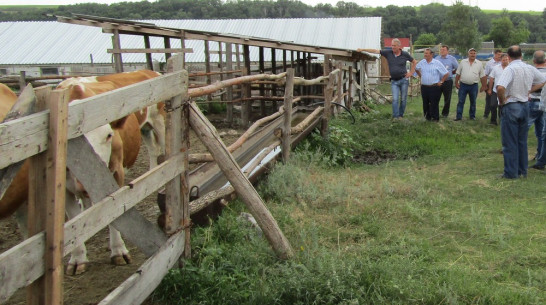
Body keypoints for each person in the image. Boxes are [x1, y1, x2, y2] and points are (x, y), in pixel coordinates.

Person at [496, 46, 546, 179]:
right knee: (521, 141)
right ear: (521, 55)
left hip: (511, 105)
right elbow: (542, 81)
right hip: (525, 105)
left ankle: (511, 173)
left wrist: (502, 101)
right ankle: (522, 171)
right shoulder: (529, 68)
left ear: (509, 56)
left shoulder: (510, 69)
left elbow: (500, 87)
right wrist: (529, 91)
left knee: (510, 142)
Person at [357, 38, 417, 119]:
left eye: (394, 46)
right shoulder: (388, 53)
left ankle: (401, 115)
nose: (393, 47)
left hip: (403, 80)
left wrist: (411, 73)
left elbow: (414, 62)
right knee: (395, 99)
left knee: (403, 99)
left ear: (399, 46)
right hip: (394, 81)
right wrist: (363, 49)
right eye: (392, 45)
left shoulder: (405, 54)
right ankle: (395, 117)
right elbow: (375, 51)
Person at [416, 48, 449, 121]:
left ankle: (435, 118)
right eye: (424, 53)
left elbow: (446, 73)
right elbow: (416, 68)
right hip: (424, 87)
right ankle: (427, 118)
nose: (425, 55)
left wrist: (441, 81)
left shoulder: (437, 63)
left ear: (431, 54)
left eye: (427, 53)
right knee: (425, 103)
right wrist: (421, 76)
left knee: (434, 103)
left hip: (434, 87)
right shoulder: (422, 62)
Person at [454, 48, 487, 121]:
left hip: (474, 86)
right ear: (468, 54)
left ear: (476, 54)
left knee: (473, 102)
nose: (473, 54)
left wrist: (484, 86)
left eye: (474, 53)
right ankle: (458, 116)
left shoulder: (479, 63)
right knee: (461, 101)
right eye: (471, 53)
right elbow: (458, 73)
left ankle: (472, 116)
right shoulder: (463, 62)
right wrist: (456, 83)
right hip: (463, 85)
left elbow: (482, 76)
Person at [526, 50, 546, 170]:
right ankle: (540, 155)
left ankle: (520, 155)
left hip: (533, 101)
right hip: (543, 104)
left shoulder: (531, 72)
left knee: (523, 128)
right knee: (541, 133)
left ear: (534, 61)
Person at [435, 45, 459, 117]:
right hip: (438, 81)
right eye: (441, 50)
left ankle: (445, 114)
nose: (442, 51)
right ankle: (435, 113)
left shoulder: (452, 59)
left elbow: (458, 68)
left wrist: (451, 73)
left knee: (447, 99)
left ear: (447, 51)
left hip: (448, 81)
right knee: (436, 98)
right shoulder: (437, 58)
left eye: (444, 50)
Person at [487, 53, 509, 126]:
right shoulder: (496, 68)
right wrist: (489, 89)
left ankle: (502, 121)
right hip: (495, 90)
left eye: (506, 59)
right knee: (493, 105)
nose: (505, 61)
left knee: (502, 106)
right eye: (503, 60)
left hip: (506, 92)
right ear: (501, 60)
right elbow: (491, 79)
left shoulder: (511, 68)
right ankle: (493, 121)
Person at [483, 49, 503, 119]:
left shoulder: (502, 63)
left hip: (500, 83)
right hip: (491, 82)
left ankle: (500, 116)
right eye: (498, 55)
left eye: (501, 55)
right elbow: (485, 74)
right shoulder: (489, 63)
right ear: (494, 54)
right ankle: (486, 114)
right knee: (489, 100)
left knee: (500, 100)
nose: (499, 56)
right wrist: (485, 85)